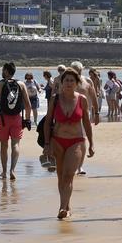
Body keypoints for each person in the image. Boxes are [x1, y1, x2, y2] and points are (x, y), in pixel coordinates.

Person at [46, 67, 93, 220]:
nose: (69, 83)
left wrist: (91, 143)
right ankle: (66, 206)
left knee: (68, 176)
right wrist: (47, 143)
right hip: (57, 140)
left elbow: (86, 122)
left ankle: (61, 207)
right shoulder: (55, 99)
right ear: (61, 82)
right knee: (60, 175)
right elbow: (47, 122)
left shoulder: (82, 99)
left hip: (76, 141)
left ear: (77, 83)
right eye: (66, 80)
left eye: (72, 80)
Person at [0, 61, 29, 179]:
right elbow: (28, 105)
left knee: (3, 145)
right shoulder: (21, 84)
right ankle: (12, 170)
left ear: (6, 71)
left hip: (3, 119)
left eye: (3, 70)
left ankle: (4, 171)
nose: (2, 72)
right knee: (15, 144)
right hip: (17, 118)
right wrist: (27, 119)